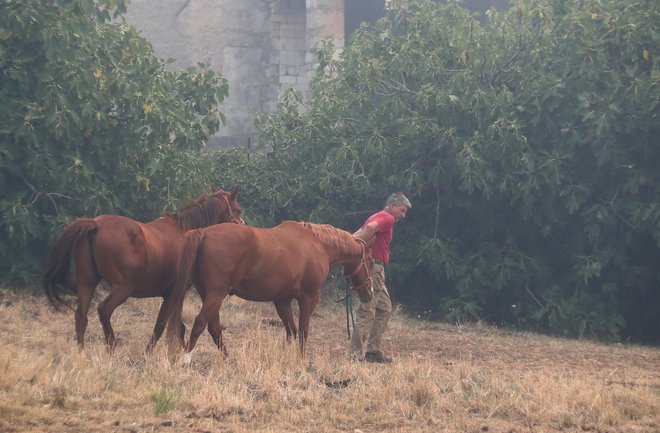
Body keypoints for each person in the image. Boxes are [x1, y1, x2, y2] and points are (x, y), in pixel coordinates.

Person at [349, 192, 411, 363]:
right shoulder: (387, 218)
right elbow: (368, 230)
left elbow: (361, 231)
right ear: (392, 206)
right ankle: (354, 356)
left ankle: (372, 352)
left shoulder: (375, 216)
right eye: (402, 210)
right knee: (366, 311)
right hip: (374, 269)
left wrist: (348, 243)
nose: (403, 215)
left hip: (375, 269)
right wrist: (349, 247)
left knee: (384, 309)